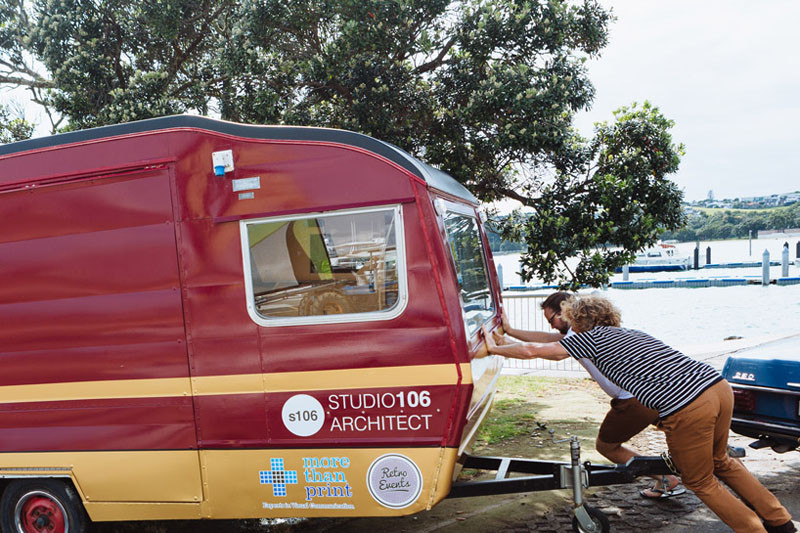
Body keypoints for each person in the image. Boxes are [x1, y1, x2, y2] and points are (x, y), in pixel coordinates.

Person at [483, 294, 795, 533]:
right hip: (716, 386)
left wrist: (493, 348)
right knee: (721, 462)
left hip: (688, 405)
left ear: (577, 322)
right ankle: (780, 522)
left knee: (700, 481)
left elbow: (533, 351)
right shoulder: (630, 332)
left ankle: (753, 529)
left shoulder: (588, 339)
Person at [496, 292, 683, 499]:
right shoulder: (589, 332)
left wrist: (496, 347)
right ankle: (693, 467)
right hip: (651, 393)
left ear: (565, 312)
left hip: (631, 399)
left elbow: (539, 349)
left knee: (606, 446)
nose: (552, 326)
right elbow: (546, 339)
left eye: (552, 320)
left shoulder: (579, 336)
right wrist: (509, 334)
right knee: (672, 429)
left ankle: (666, 477)